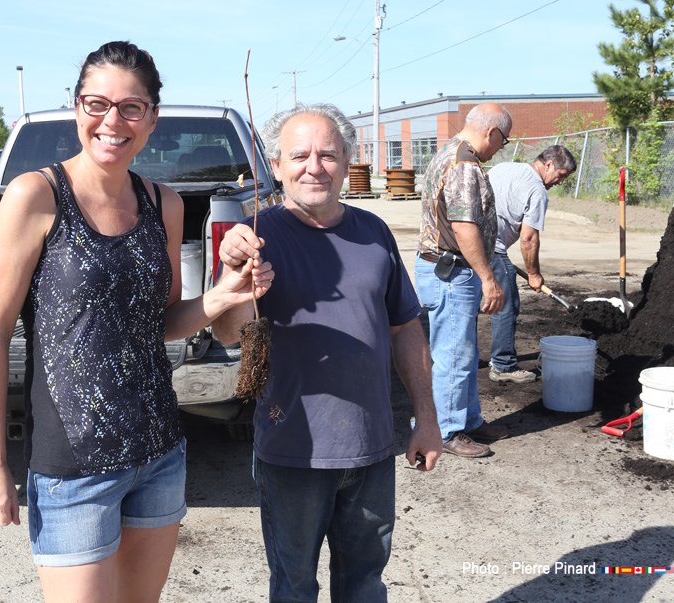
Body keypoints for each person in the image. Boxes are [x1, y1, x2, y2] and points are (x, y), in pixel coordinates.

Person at [0, 40, 272, 602]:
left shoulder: (166, 204)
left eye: (131, 107)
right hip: (72, 465)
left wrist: (225, 294)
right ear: (76, 106)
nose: (113, 121)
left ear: (152, 118)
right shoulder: (36, 196)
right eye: (96, 103)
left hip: (159, 451)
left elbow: (162, 322)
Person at [213, 103, 441, 602]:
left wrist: (427, 417)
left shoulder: (374, 232)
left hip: (372, 449)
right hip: (294, 451)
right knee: (294, 588)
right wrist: (236, 281)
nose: (314, 166)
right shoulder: (256, 239)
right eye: (299, 155)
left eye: (328, 154)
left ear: (346, 162)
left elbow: (405, 327)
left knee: (364, 585)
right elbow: (230, 334)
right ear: (275, 167)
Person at [416, 103, 512, 459]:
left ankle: (468, 420)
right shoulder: (464, 165)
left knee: (464, 351)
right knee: (454, 354)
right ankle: (447, 430)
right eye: (503, 141)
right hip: (452, 271)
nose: (501, 148)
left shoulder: (450, 153)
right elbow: (463, 226)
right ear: (492, 132)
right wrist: (488, 278)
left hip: (448, 269)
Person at [486, 145, 577, 383]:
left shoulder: (504, 168)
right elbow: (528, 239)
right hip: (492, 247)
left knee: (474, 301)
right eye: (561, 175)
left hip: (469, 244)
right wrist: (534, 274)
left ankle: (464, 358)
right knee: (506, 304)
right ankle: (503, 366)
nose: (559, 182)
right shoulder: (537, 191)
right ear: (548, 164)